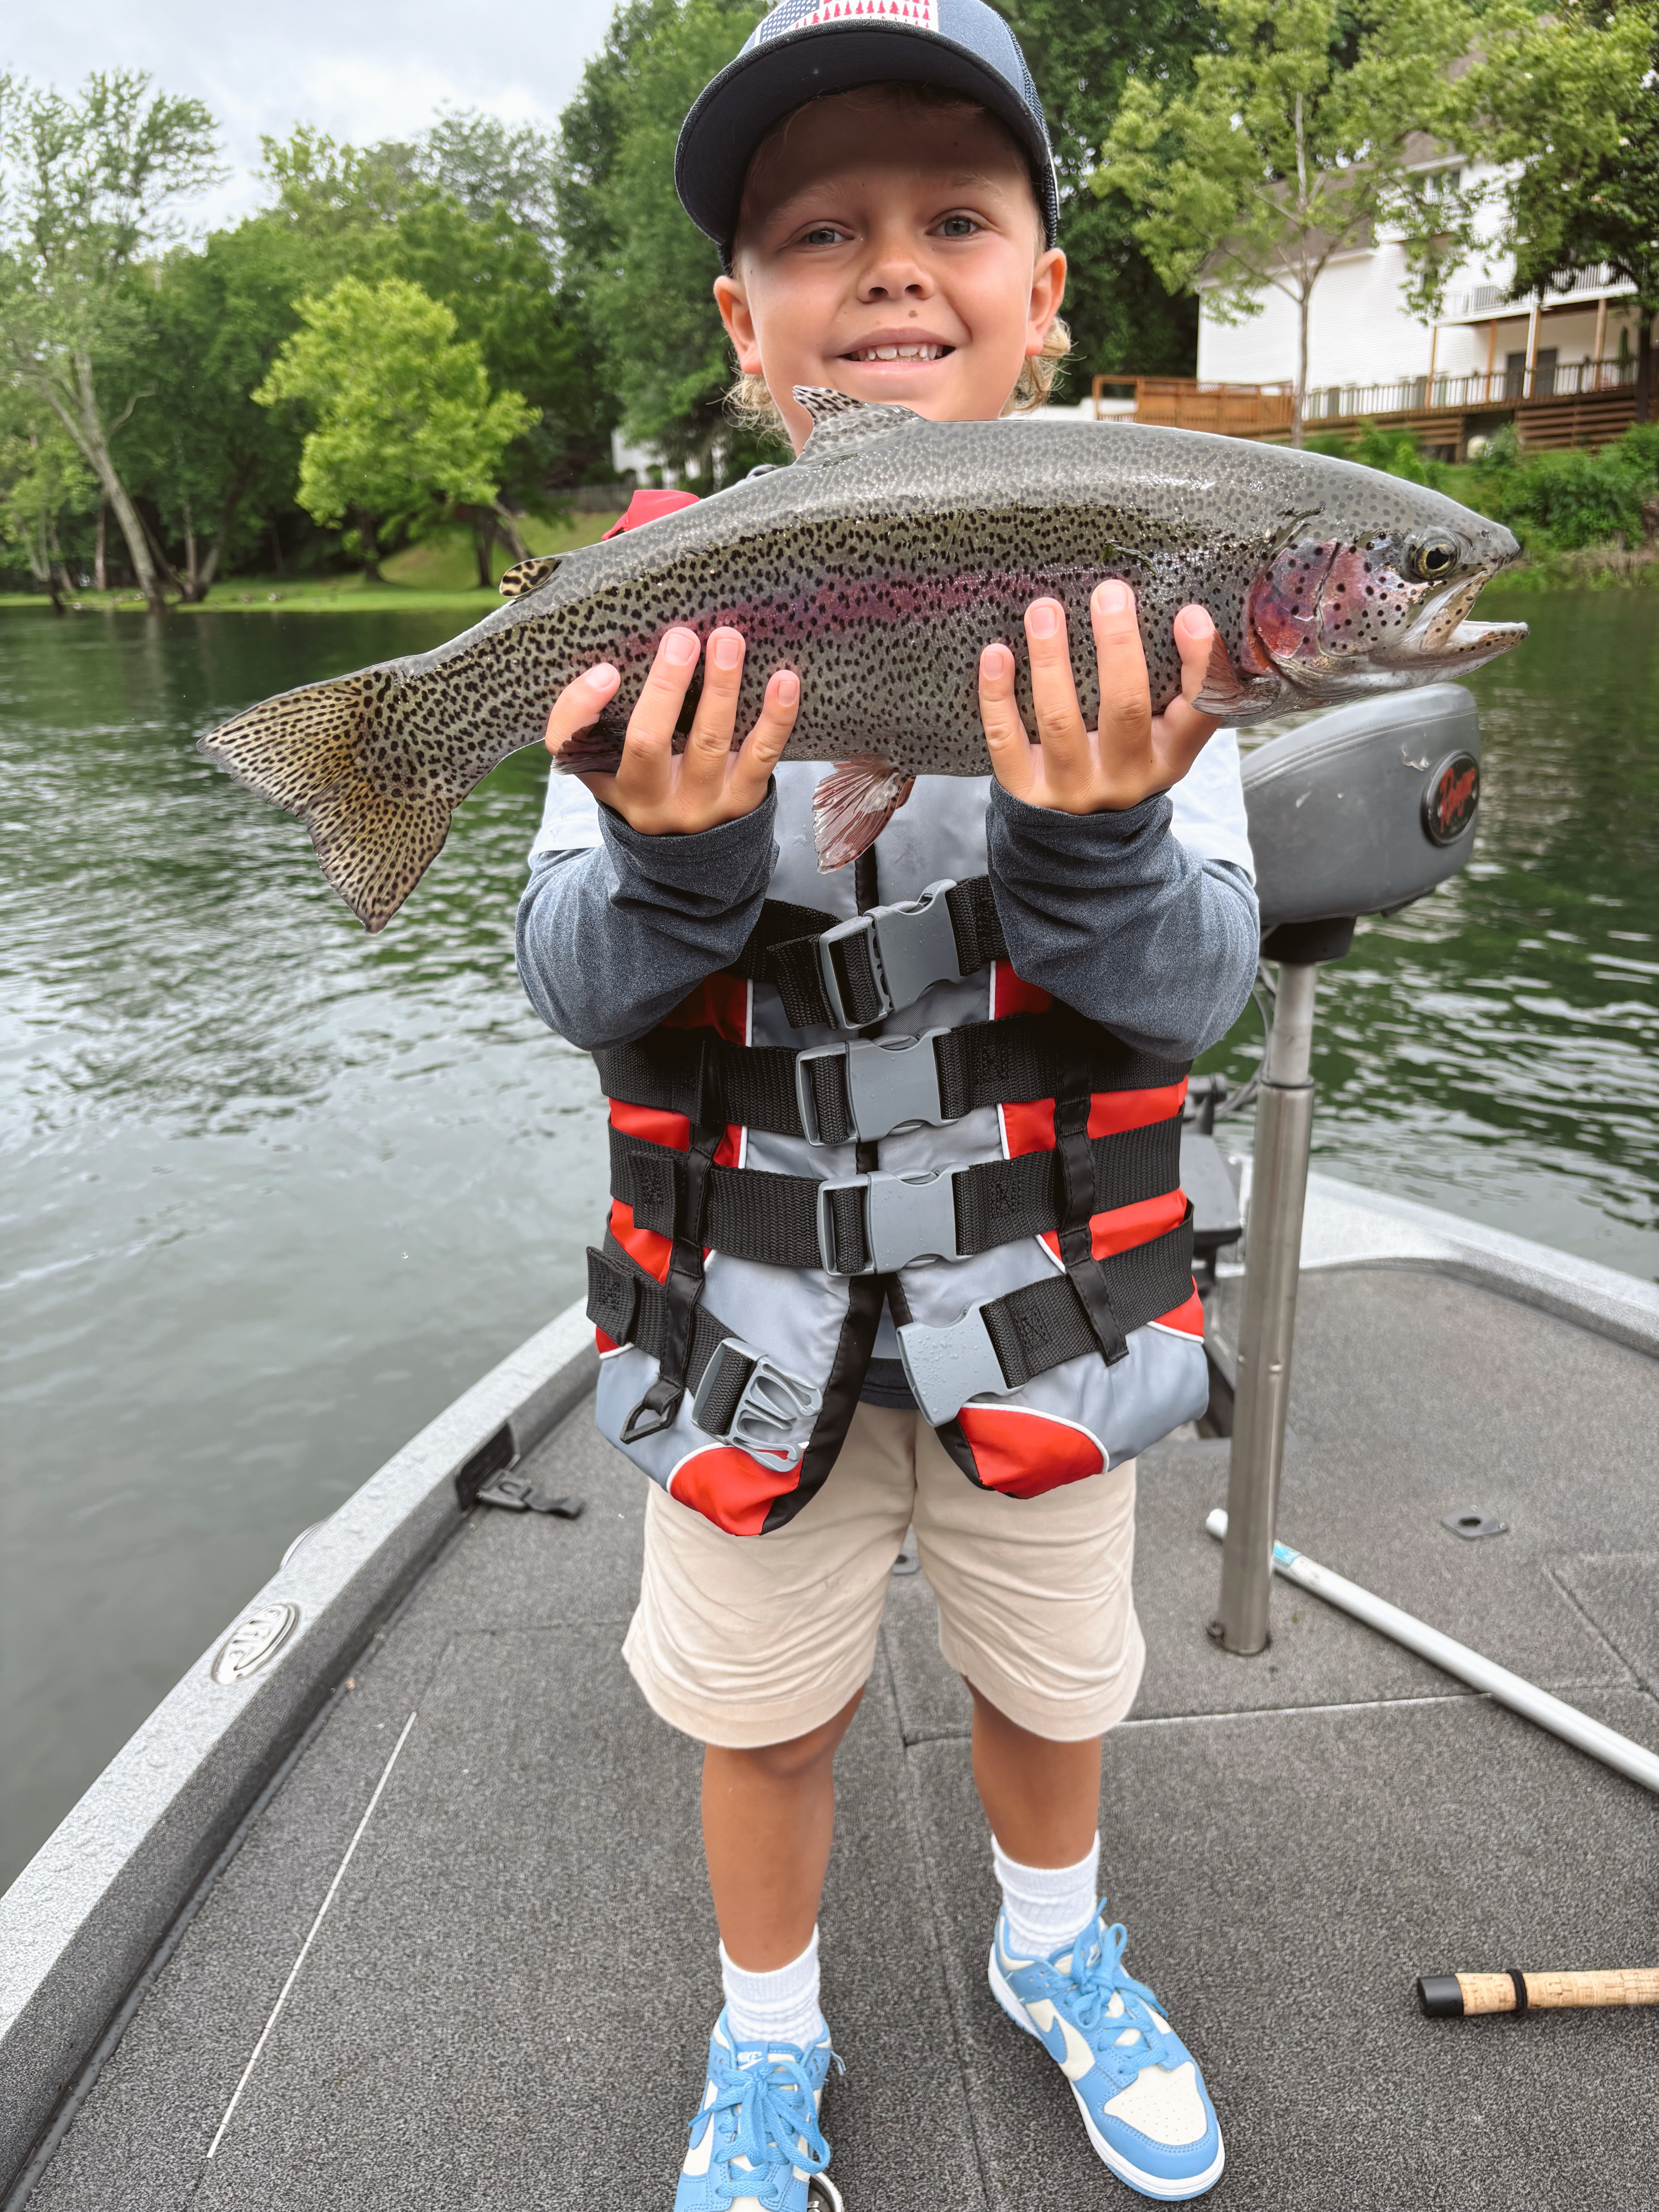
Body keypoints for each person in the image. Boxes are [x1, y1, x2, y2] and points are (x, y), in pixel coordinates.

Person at [516, 3, 1259, 2201]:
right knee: (763, 1716)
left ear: (1048, 289)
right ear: (749, 329)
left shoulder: (1152, 581)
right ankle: (770, 2038)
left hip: (1051, 1320)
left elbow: (1192, 989)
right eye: (824, 233)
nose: (899, 269)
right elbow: (576, 990)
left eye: (958, 216)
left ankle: (1058, 1946)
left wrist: (1106, 829)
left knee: (1060, 1683)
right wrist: (665, 849)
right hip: (747, 1335)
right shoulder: (673, 598)